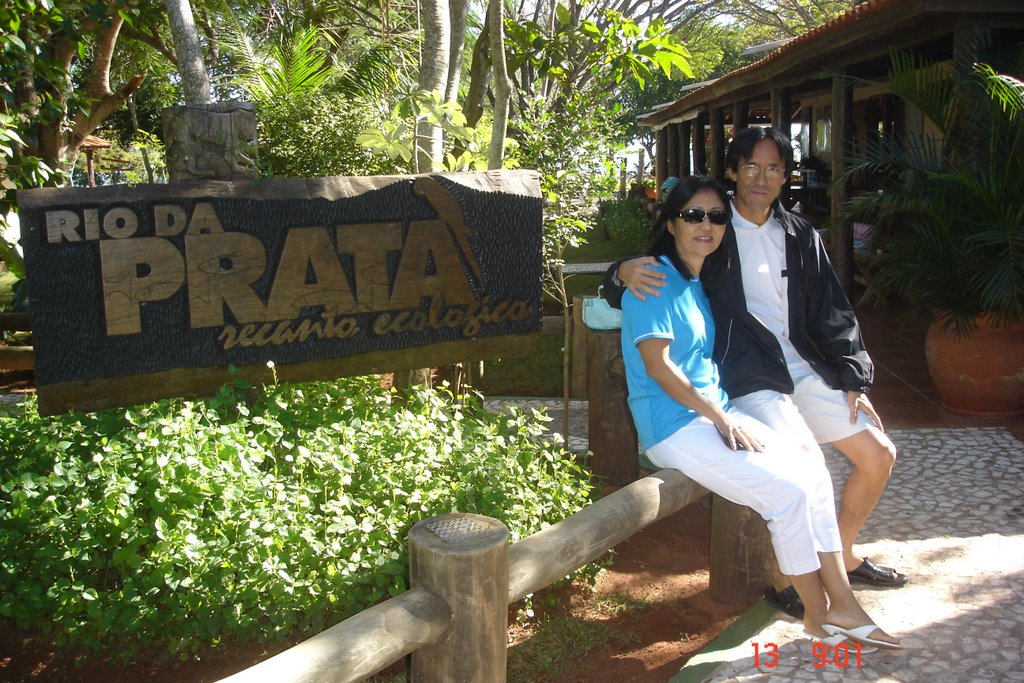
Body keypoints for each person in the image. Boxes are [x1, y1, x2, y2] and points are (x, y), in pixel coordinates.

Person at [604, 127, 905, 617]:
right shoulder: (712, 227)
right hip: (749, 375)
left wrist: (852, 376)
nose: (760, 178)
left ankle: (842, 556)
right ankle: (790, 578)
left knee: (877, 453)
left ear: (787, 176)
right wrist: (618, 272)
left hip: (804, 367)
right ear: (732, 172)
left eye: (773, 168)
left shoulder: (800, 234)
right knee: (806, 466)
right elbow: (655, 268)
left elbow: (833, 309)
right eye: (750, 166)